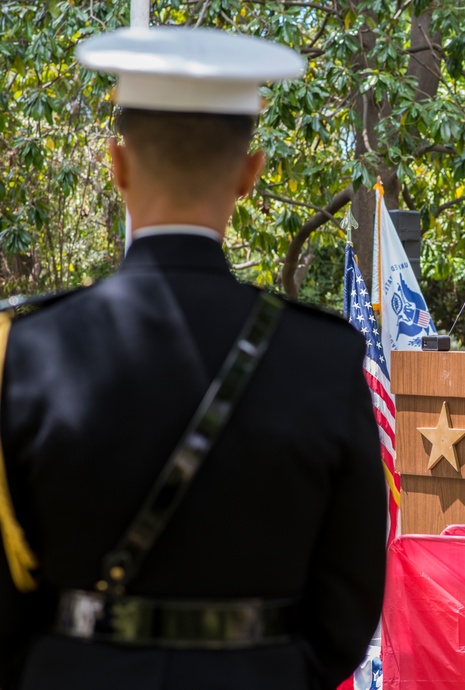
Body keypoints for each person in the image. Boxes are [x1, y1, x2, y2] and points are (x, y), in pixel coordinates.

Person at [0, 27, 386, 690]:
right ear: (249, 172)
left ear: (117, 164)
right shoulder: (322, 356)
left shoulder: (31, 348)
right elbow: (349, 602)